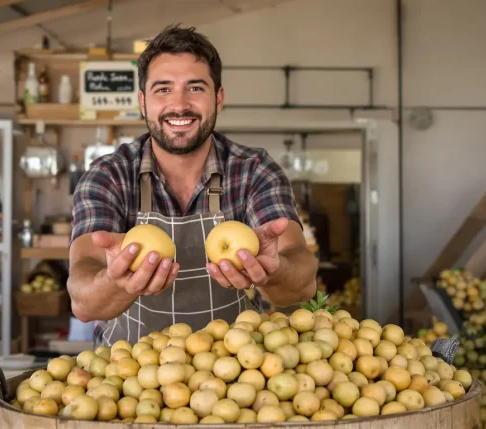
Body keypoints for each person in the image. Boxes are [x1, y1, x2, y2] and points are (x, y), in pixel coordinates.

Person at [67, 24, 318, 347]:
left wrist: (274, 271)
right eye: (163, 89)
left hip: (234, 369)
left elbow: (302, 284)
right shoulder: (109, 176)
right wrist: (117, 281)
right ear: (143, 102)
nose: (180, 104)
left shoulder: (254, 171)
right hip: (127, 372)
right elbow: (84, 302)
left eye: (195, 88)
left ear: (219, 98)